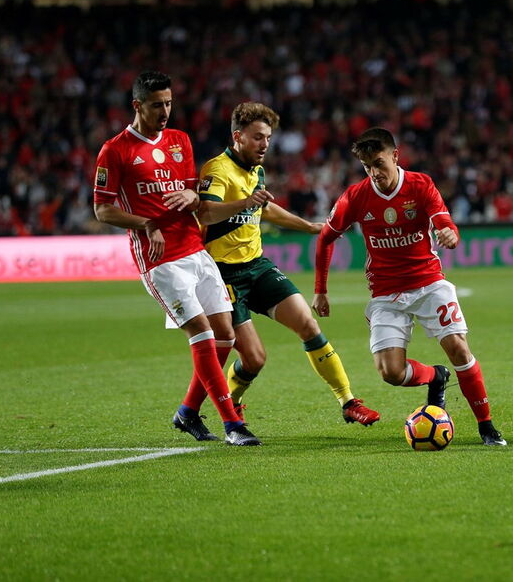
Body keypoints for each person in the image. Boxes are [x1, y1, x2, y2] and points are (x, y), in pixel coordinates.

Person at [181, 101, 380, 427]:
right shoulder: (217, 170)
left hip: (256, 265)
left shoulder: (256, 170)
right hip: (222, 275)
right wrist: (246, 202)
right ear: (238, 137)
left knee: (308, 324)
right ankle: (232, 401)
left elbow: (266, 211)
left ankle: (348, 401)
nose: (265, 145)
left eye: (269, 138)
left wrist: (311, 226)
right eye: (258, 137)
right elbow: (205, 212)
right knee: (255, 359)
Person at [92, 71, 260, 446]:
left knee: (226, 336)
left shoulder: (180, 141)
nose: (165, 111)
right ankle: (233, 424)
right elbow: (102, 210)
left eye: (168, 103)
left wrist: (193, 198)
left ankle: (187, 413)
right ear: (137, 106)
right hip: (160, 259)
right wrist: (146, 223)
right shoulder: (115, 150)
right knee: (200, 333)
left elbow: (192, 196)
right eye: (156, 105)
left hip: (195, 249)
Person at [312, 128, 507, 446]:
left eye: (379, 163)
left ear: (395, 156)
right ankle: (435, 376)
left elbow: (445, 223)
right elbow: (325, 238)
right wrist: (320, 289)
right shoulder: (356, 196)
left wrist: (450, 235)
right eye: (367, 167)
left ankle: (486, 426)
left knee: (458, 347)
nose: (375, 173)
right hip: (386, 294)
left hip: (429, 283)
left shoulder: (420, 185)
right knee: (391, 373)